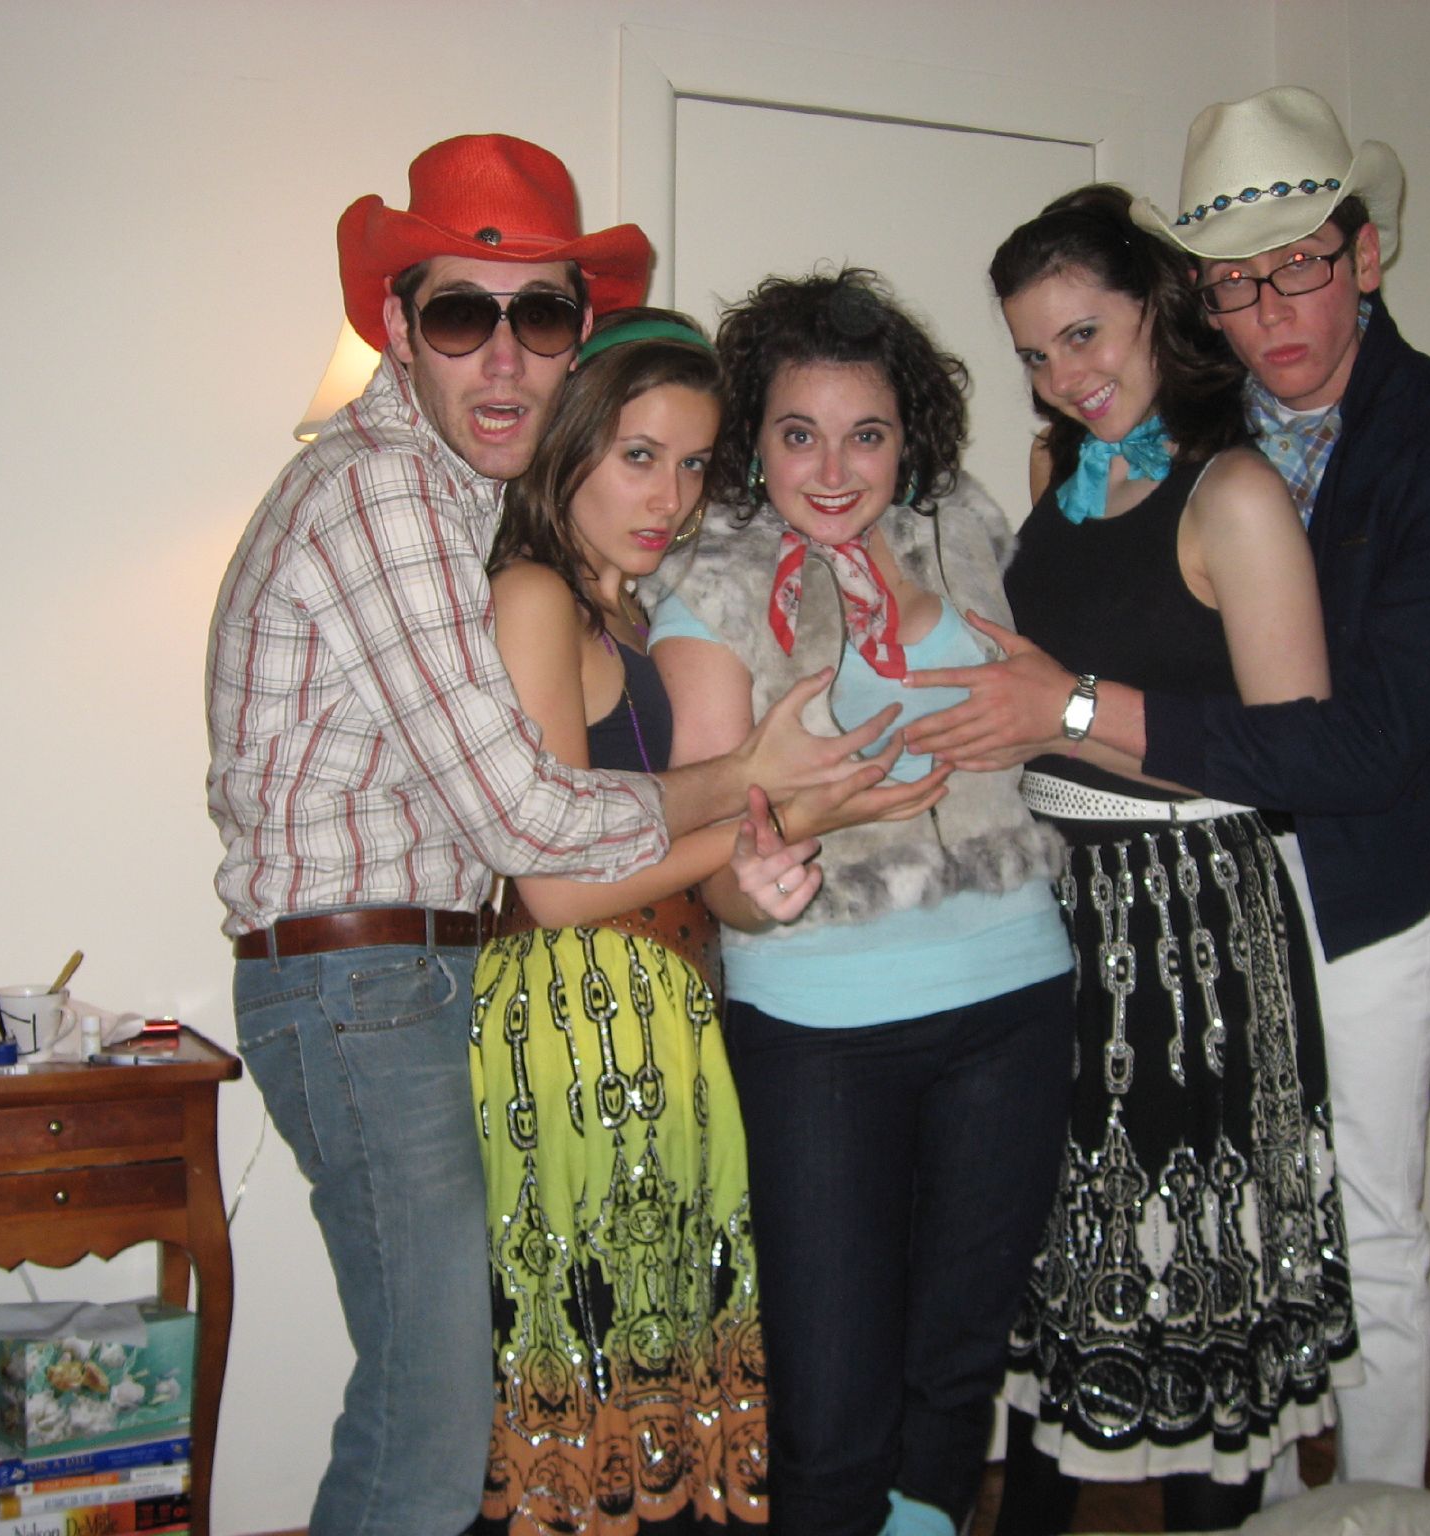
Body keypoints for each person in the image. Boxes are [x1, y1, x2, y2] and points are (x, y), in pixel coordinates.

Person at [205, 138, 894, 1536]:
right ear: (397, 328)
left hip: (406, 980)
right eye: (464, 314)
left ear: (574, 335)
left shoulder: (468, 511)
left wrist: (755, 805)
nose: (504, 357)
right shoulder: (381, 497)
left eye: (539, 316)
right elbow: (533, 825)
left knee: (452, 1402)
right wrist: (751, 785)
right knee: (432, 1409)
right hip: (361, 984)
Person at [915, 88, 1430, 1492]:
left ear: (1363, 254)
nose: (1273, 311)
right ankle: (1231, 1488)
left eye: (1303, 263)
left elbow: (1356, 745)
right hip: (1166, 895)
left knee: (1361, 1224)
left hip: (1361, 873)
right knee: (1202, 1228)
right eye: (1237, 282)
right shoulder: (1147, 426)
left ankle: (1368, 1516)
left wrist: (1068, 709)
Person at [900, 184, 1355, 1533]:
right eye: (1036, 354)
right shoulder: (1057, 491)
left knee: (1189, 1300)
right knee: (1060, 1285)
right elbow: (1026, 701)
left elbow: (1293, 760)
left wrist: (1069, 709)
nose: (1067, 378)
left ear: (1159, 308)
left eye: (1087, 336)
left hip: (1196, 921)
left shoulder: (1239, 494)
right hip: (1063, 920)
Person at [469, 308, 948, 1534]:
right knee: (581, 1396)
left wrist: (816, 808)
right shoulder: (534, 595)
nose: (669, 499)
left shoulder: (623, 614)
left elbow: (680, 849)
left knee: (653, 1400)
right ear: (570, 445)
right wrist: (771, 790)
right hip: (575, 1024)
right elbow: (552, 886)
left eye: (692, 467)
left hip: (663, 1016)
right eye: (638, 457)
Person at [647, 271, 1076, 1536]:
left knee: (952, 1381)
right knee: (831, 1414)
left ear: (911, 438)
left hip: (1014, 1000)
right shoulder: (712, 582)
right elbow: (712, 833)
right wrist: (755, 886)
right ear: (752, 440)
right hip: (820, 1028)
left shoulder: (973, 534)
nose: (833, 468)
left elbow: (1059, 704)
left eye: (867, 433)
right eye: (797, 433)